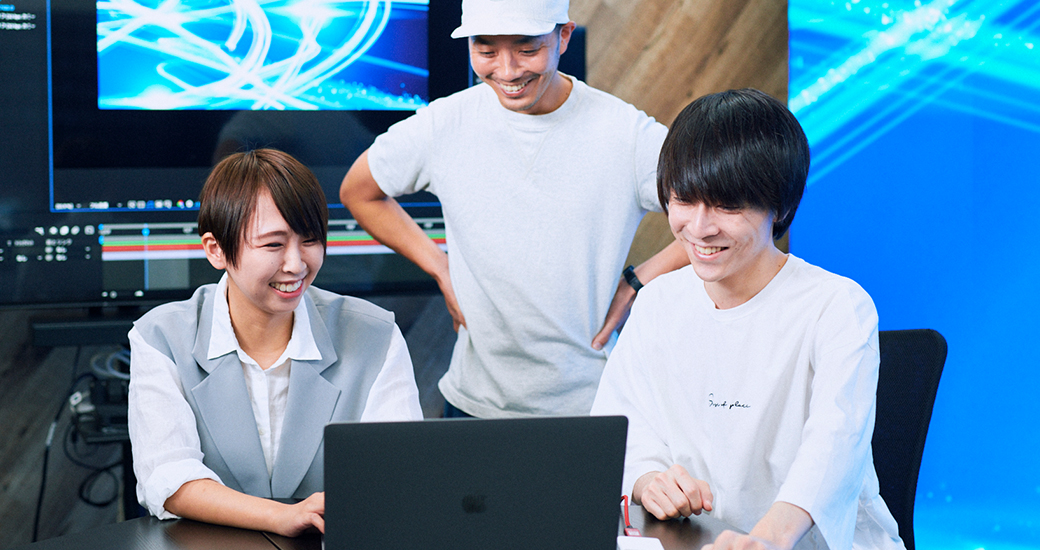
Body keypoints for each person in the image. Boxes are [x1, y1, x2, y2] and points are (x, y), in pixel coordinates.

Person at [339, 0, 688, 418]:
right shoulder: (444, 124)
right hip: (472, 404)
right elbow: (359, 191)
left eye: (527, 49)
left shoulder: (626, 134)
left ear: (563, 37)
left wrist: (637, 281)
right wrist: (441, 269)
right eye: (486, 50)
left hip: (591, 406)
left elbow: (726, 214)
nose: (506, 71)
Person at [590, 89, 904, 550]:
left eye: (727, 206)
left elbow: (835, 445)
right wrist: (648, 479)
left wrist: (766, 539)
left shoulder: (837, 306)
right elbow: (622, 425)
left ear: (781, 207)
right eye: (684, 200)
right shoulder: (658, 303)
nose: (700, 228)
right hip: (697, 540)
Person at [127, 148, 422, 536]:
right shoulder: (160, 337)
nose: (296, 265)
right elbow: (168, 477)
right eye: (273, 245)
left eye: (310, 240)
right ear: (216, 249)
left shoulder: (374, 334)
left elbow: (399, 475)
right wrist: (279, 516)